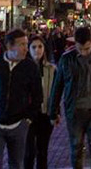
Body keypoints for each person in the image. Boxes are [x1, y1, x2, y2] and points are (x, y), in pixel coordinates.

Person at [49, 27, 91, 169]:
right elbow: (58, 86)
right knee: (76, 150)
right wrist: (53, 111)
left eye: (87, 48)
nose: (84, 52)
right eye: (80, 49)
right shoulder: (66, 59)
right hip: (74, 112)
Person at [0, 29, 43, 169]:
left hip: (18, 124)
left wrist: (28, 119)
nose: (26, 48)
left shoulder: (30, 67)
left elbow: (37, 96)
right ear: (9, 46)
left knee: (17, 163)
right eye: (22, 44)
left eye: (26, 44)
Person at [24, 36, 56, 169]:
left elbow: (55, 93)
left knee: (42, 151)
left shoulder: (51, 69)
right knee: (28, 152)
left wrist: (55, 112)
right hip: (27, 116)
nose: (37, 50)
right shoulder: (22, 69)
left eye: (40, 47)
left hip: (45, 114)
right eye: (33, 47)